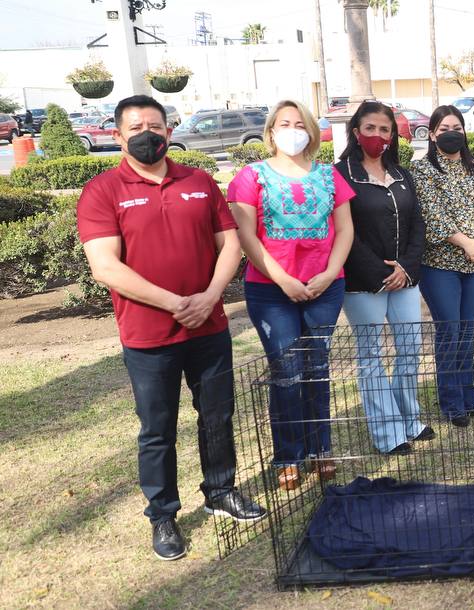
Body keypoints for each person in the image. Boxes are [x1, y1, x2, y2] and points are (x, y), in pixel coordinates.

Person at [77, 95, 264, 561]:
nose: (148, 134)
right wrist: (176, 304)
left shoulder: (199, 181)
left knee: (218, 415)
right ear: (117, 136)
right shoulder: (103, 190)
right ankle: (163, 514)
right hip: (148, 335)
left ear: (169, 130)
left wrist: (209, 298)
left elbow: (231, 245)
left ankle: (221, 491)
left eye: (156, 126)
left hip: (210, 326)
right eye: (136, 126)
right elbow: (105, 266)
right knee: (157, 428)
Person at [227, 100, 355, 491]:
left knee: (317, 368)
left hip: (325, 288)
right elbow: (246, 237)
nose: (292, 130)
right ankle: (288, 455)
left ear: (312, 131)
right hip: (271, 291)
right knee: (287, 371)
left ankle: (321, 448)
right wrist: (283, 279)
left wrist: (330, 273)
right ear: (270, 132)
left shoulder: (330, 176)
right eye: (284, 123)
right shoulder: (250, 177)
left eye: (300, 123)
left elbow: (345, 230)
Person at [335, 101, 431, 451]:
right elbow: (345, 233)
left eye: (385, 129)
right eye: (370, 128)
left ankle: (411, 419)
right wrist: (379, 271)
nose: (378, 135)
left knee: (410, 349)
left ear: (393, 134)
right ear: (356, 131)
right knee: (371, 355)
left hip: (405, 279)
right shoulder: (340, 174)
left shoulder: (402, 174)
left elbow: (417, 224)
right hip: (363, 284)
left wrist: (405, 266)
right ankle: (388, 433)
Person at [414, 105, 474, 427]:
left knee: (467, 331)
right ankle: (451, 400)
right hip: (440, 264)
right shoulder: (423, 170)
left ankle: (469, 393)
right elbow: (432, 215)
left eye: (457, 127)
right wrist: (465, 242)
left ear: (464, 132)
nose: (451, 132)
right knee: (449, 330)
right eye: (444, 127)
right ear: (433, 134)